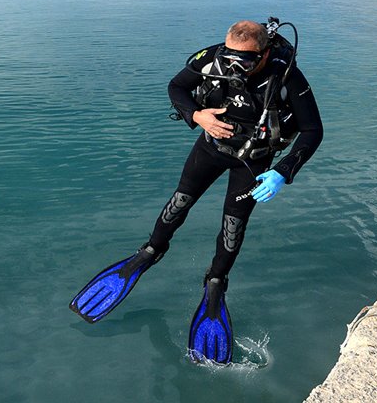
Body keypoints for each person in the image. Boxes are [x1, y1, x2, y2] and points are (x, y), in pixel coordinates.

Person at [69, 18, 323, 364]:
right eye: (230, 57)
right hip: (210, 148)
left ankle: (216, 282)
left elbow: (312, 130)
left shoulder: (287, 75)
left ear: (264, 55)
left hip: (252, 162)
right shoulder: (211, 59)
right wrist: (196, 116)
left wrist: (283, 171)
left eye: (245, 61)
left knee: (233, 226)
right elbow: (176, 87)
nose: (235, 67)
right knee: (179, 202)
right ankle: (150, 252)